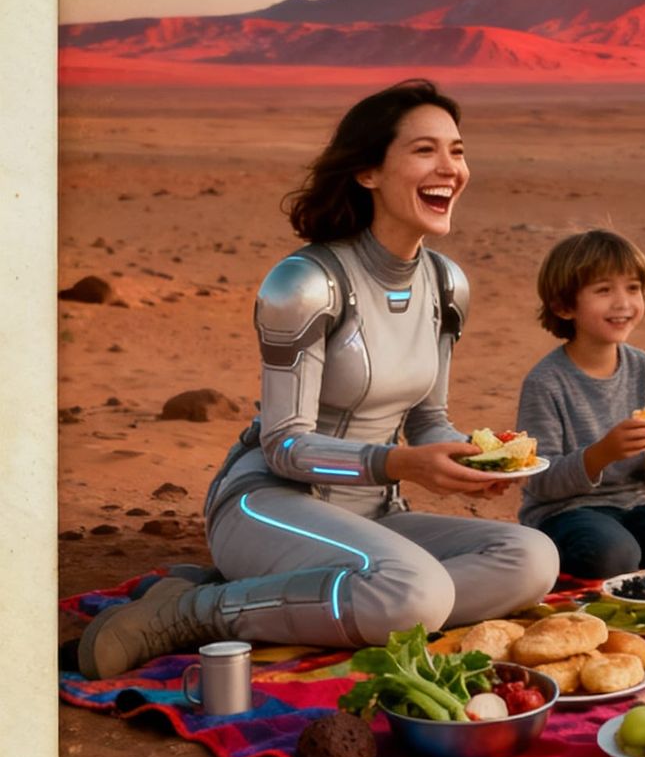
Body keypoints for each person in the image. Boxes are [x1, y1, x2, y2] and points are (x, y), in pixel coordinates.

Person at [77, 81, 561, 679]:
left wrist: (472, 461)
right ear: (367, 172)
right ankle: (192, 612)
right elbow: (284, 445)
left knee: (531, 557)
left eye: (457, 151)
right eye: (424, 150)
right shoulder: (305, 284)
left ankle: (307, 596)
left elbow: (427, 420)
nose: (450, 169)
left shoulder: (446, 284)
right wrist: (400, 464)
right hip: (269, 506)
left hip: (374, 516)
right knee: (414, 593)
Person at [513, 229, 645, 579]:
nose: (623, 303)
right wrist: (601, 454)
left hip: (637, 502)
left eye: (633, 288)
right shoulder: (545, 382)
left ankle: (629, 552)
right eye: (604, 290)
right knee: (612, 554)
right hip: (565, 511)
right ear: (564, 306)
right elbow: (540, 481)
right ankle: (613, 554)